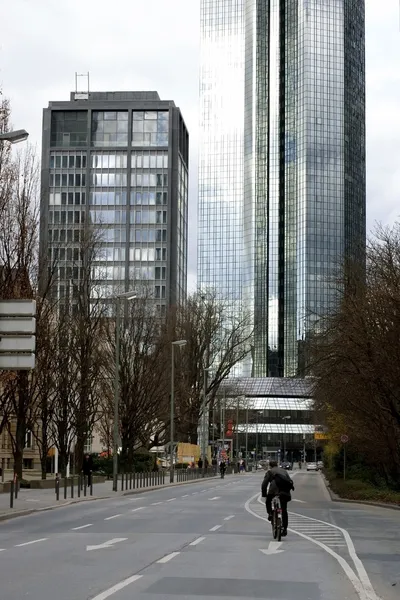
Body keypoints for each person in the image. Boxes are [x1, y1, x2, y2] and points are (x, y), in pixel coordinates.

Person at [261, 459, 294, 537]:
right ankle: (285, 529)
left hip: (274, 490)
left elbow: (264, 484)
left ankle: (270, 514)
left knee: (268, 501)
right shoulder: (284, 471)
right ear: (277, 464)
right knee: (284, 510)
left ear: (270, 465)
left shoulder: (270, 472)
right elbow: (289, 481)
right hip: (284, 491)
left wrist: (264, 494)